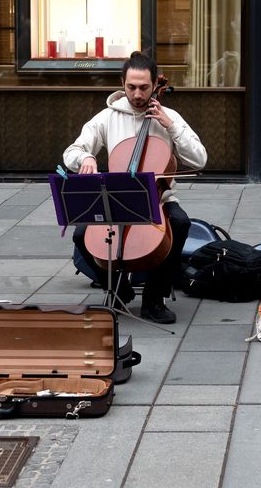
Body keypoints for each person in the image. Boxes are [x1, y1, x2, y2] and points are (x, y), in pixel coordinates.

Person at [64, 50, 208, 323]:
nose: (138, 94)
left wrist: (171, 127)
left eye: (144, 88)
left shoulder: (169, 117)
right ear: (122, 84)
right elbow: (72, 150)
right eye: (131, 87)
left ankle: (154, 298)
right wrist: (86, 157)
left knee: (179, 223)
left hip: (159, 200)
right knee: (81, 235)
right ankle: (117, 286)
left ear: (155, 85)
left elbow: (199, 159)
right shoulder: (107, 117)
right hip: (117, 197)